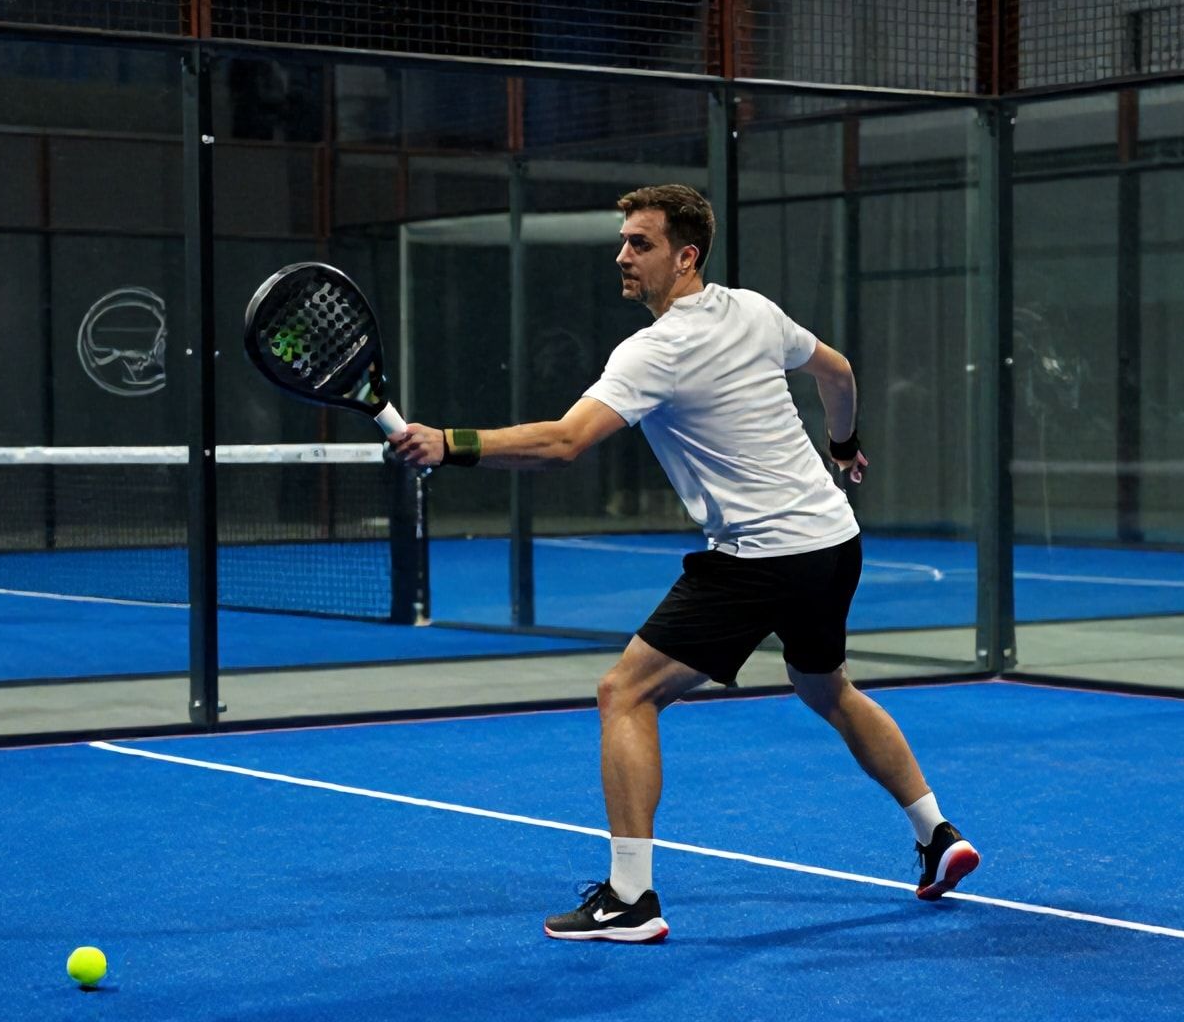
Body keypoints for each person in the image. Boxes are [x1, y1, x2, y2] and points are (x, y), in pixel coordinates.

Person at [389, 184, 979, 943]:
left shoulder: (654, 350)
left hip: (760, 557)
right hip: (834, 542)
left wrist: (450, 443)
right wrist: (842, 444)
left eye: (640, 244)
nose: (622, 256)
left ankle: (630, 899)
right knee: (827, 687)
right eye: (624, 241)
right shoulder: (757, 311)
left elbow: (567, 442)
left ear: (685, 256)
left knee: (624, 693)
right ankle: (935, 833)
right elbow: (836, 371)